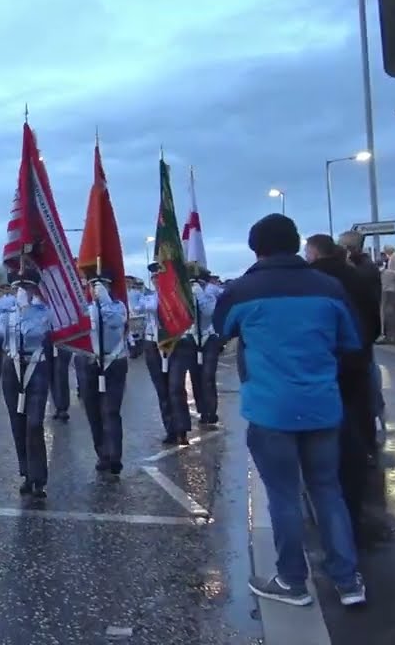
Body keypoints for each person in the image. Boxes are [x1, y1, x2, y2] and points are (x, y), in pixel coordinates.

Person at [215, 213, 365, 607]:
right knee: (328, 491)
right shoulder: (329, 287)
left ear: (256, 248)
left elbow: (221, 328)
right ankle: (348, 582)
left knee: (282, 496)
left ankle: (292, 581)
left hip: (270, 409)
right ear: (297, 243)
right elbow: (352, 342)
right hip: (322, 406)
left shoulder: (243, 290)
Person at [305, 234, 375, 542]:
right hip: (357, 362)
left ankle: (339, 533)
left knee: (327, 451)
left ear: (315, 252)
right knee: (356, 433)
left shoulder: (315, 281)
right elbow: (374, 320)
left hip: (325, 367)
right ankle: (354, 516)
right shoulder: (359, 277)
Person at [0, 267, 53, 499]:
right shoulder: (7, 313)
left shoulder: (44, 312)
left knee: (34, 423)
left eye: (25, 287)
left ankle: (39, 478)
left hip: (36, 366)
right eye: (18, 287)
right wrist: (11, 315)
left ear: (34, 289)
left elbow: (36, 333)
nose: (21, 291)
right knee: (18, 423)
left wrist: (25, 312)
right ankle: (27, 473)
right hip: (12, 368)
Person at [336, 230, 385, 453]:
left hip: (358, 335)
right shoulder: (368, 268)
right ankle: (372, 427)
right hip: (365, 333)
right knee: (368, 379)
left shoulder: (358, 272)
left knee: (366, 383)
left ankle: (369, 433)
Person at [80, 271, 129, 477]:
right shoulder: (85, 309)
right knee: (93, 411)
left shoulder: (118, 307)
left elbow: (116, 323)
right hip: (90, 362)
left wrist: (106, 301)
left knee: (110, 410)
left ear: (109, 288)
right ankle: (102, 453)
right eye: (93, 286)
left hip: (114, 362)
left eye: (101, 286)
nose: (96, 290)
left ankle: (115, 456)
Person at [139, 263, 188, 444]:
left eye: (160, 277)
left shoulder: (178, 298)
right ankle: (171, 429)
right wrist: (161, 294)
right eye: (154, 278)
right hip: (153, 343)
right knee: (162, 389)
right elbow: (143, 308)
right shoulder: (148, 298)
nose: (156, 280)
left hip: (175, 343)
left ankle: (182, 428)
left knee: (175, 387)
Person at [190, 264, 222, 429]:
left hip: (209, 337)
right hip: (192, 338)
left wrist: (200, 294)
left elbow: (209, 312)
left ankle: (211, 411)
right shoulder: (187, 294)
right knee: (195, 377)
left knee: (208, 376)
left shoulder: (209, 294)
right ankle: (202, 410)